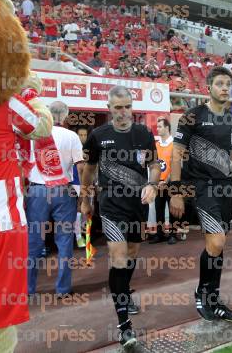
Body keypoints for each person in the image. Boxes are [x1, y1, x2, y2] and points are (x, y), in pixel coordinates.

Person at [170, 66, 232, 322]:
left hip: (225, 186)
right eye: (220, 84)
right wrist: (176, 191)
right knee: (216, 242)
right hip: (201, 186)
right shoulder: (192, 116)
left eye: (228, 84)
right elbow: (177, 152)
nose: (225, 88)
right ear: (209, 87)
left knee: (219, 244)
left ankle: (214, 298)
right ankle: (202, 293)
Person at [80, 86, 160, 347]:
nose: (123, 112)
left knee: (132, 253)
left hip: (137, 204)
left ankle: (123, 293)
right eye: (118, 107)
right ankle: (124, 324)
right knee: (118, 255)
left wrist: (152, 185)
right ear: (109, 109)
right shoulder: (98, 136)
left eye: (127, 106)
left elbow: (153, 165)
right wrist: (85, 200)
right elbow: (89, 170)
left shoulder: (143, 133)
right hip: (111, 204)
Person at [26, 101, 85, 296]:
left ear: (47, 115)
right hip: (63, 191)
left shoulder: (34, 135)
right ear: (66, 117)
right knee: (64, 242)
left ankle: (28, 288)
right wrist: (83, 196)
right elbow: (80, 168)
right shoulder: (72, 136)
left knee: (34, 242)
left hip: (38, 191)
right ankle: (62, 289)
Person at [147, 117, 178, 244]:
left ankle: (173, 234)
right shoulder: (156, 145)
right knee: (158, 209)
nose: (157, 129)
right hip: (158, 183)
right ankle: (160, 234)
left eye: (160, 126)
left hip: (171, 183)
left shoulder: (174, 145)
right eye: (157, 126)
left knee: (172, 209)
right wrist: (156, 182)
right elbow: (153, 164)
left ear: (167, 128)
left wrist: (166, 180)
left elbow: (176, 166)